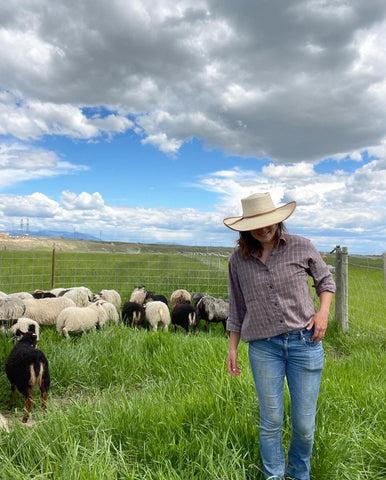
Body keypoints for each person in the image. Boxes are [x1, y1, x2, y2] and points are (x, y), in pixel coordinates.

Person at [223, 192, 335, 480]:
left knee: (304, 424)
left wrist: (322, 313)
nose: (264, 228)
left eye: (268, 221)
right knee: (271, 421)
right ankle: (274, 475)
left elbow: (325, 280)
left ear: (278, 220)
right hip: (263, 348)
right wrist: (232, 348)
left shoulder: (301, 246)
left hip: (304, 343)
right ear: (246, 227)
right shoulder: (238, 261)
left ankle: (299, 474)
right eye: (256, 224)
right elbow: (237, 307)